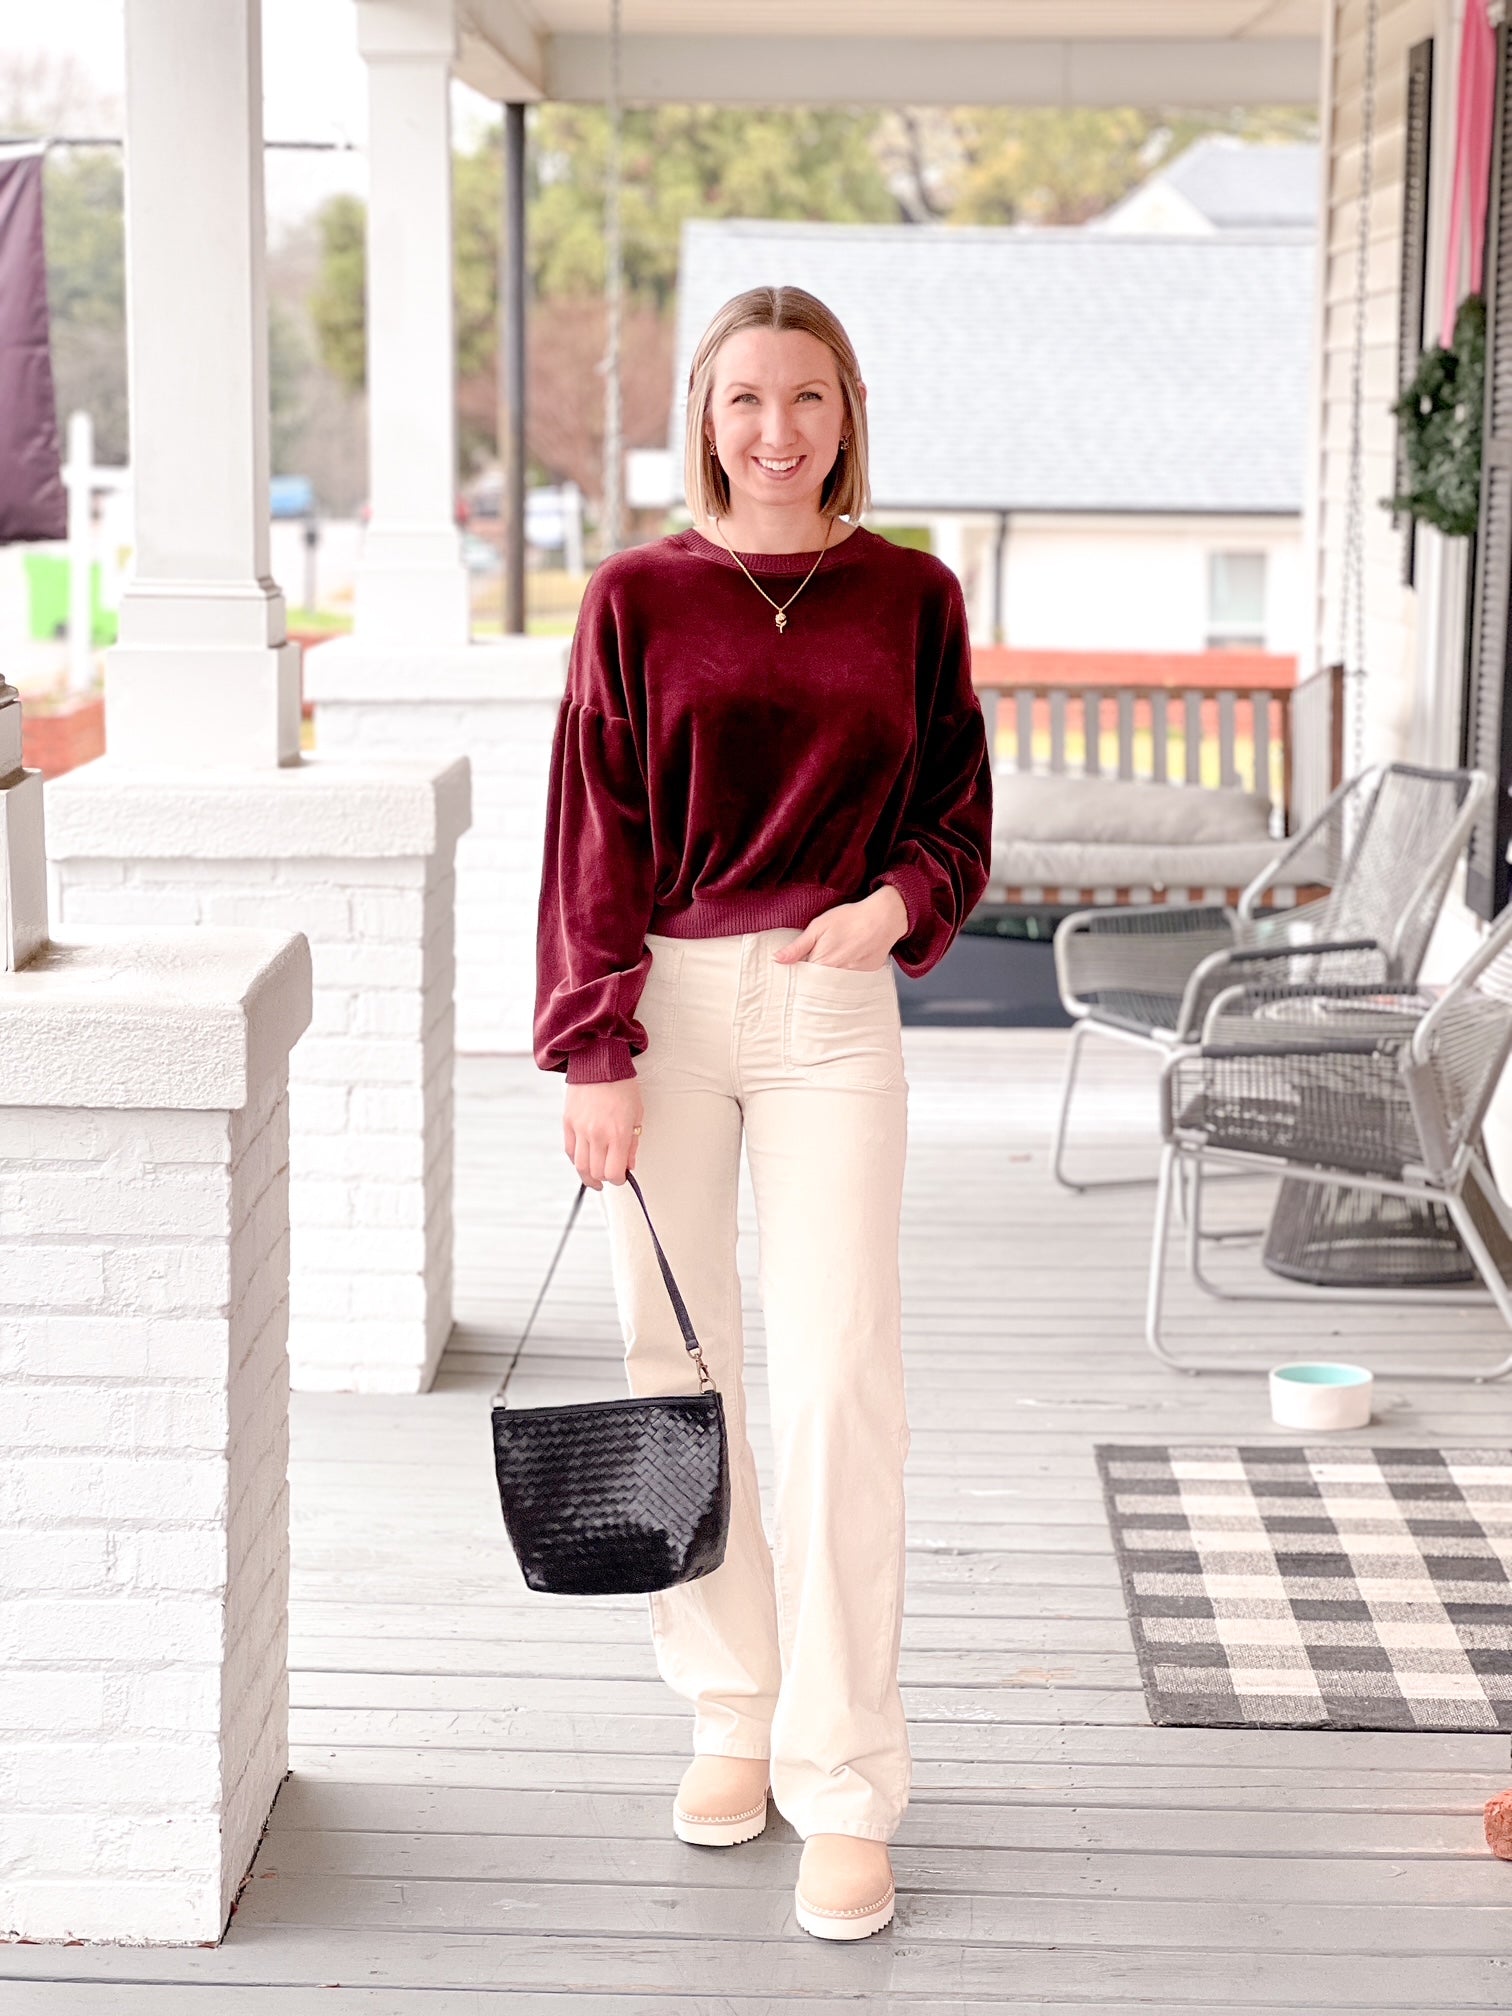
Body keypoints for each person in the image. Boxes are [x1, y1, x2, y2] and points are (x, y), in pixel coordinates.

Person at [534, 284, 992, 1941]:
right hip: (664, 1010)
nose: (777, 428)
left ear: (846, 412)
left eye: (808, 396)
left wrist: (894, 907)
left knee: (842, 1382)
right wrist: (593, 1045)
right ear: (706, 417)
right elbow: (590, 830)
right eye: (746, 397)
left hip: (832, 1012)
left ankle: (846, 1779)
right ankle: (734, 1708)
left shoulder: (914, 596)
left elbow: (955, 812)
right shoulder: (634, 597)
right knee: (677, 1367)